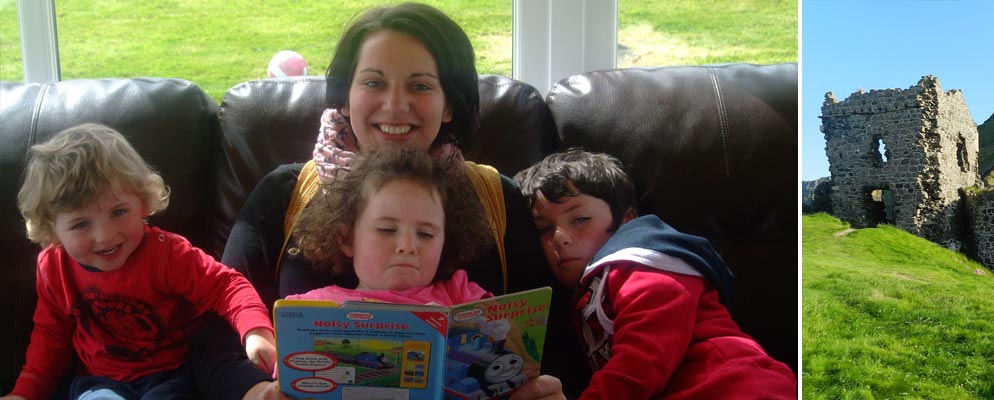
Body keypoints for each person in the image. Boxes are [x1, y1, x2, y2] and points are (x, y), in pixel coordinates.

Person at [199, 3, 579, 399]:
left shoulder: (496, 198)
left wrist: (541, 390)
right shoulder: (284, 194)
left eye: (420, 86)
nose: (396, 105)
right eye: (374, 83)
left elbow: (552, 342)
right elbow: (214, 335)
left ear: (449, 104)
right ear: (344, 98)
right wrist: (256, 391)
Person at [3, 124, 275, 400]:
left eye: (118, 212)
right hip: (99, 382)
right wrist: (24, 393)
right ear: (52, 230)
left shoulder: (166, 254)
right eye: (81, 224)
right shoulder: (54, 267)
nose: (105, 236)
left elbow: (226, 285)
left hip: (175, 375)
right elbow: (50, 338)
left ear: (143, 203)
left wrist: (255, 331)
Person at [514, 149, 799, 399]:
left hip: (733, 385)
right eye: (544, 228)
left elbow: (642, 359)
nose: (560, 238)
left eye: (580, 219)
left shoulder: (641, 259)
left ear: (627, 221)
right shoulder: (583, 292)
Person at [285, 148, 494, 304]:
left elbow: (512, 344)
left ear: (445, 242)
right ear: (346, 239)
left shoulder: (460, 296)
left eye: (425, 233)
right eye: (387, 230)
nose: (407, 245)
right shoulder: (313, 307)